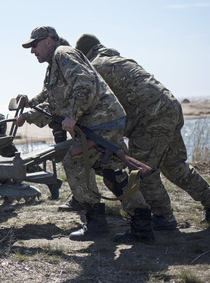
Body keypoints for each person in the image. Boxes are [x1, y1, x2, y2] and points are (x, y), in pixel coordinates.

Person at [16, 26, 154, 242]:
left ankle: (96, 223)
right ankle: (142, 226)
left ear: (50, 41)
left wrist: (72, 115)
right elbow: (52, 100)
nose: (32, 50)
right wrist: (29, 105)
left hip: (100, 123)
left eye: (35, 44)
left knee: (74, 163)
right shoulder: (55, 63)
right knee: (112, 172)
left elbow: (84, 83)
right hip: (105, 122)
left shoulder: (63, 54)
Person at [75, 34, 210, 228]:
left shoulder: (95, 68)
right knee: (174, 165)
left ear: (83, 54)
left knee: (142, 170)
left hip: (150, 118)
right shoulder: (120, 60)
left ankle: (164, 217)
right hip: (171, 107)